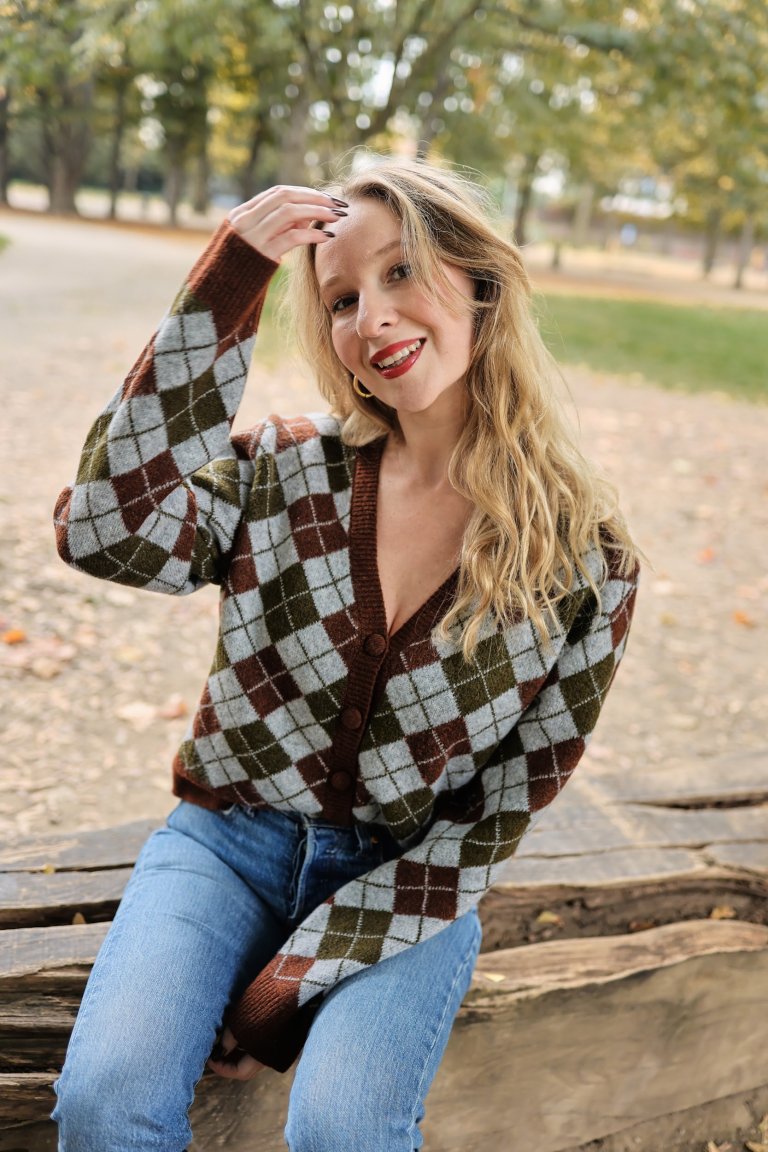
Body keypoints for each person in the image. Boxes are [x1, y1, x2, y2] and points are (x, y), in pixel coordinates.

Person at [51, 155, 640, 1151]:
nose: (372, 318)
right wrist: (231, 278)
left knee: (342, 1131)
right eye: (341, 298)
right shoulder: (282, 471)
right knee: (108, 1099)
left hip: (412, 884)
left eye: (401, 270)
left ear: (479, 282)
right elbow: (104, 529)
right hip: (224, 847)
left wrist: (290, 981)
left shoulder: (587, 559)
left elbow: (500, 810)